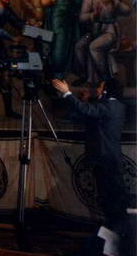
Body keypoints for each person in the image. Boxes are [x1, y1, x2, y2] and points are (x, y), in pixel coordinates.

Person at [51, 78, 126, 223]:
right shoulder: (116, 105)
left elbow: (88, 110)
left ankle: (115, 228)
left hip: (105, 159)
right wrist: (85, 100)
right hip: (109, 157)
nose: (96, 89)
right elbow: (92, 113)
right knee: (111, 196)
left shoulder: (108, 106)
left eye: (100, 87)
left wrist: (67, 93)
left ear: (106, 91)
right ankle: (115, 227)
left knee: (109, 197)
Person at [74, 0, 131, 83]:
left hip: (109, 32)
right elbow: (82, 18)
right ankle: (84, 76)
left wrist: (114, 0)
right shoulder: (90, 0)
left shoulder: (113, 0)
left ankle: (105, 78)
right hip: (94, 31)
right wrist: (93, 15)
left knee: (94, 47)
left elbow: (127, 11)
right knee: (79, 47)